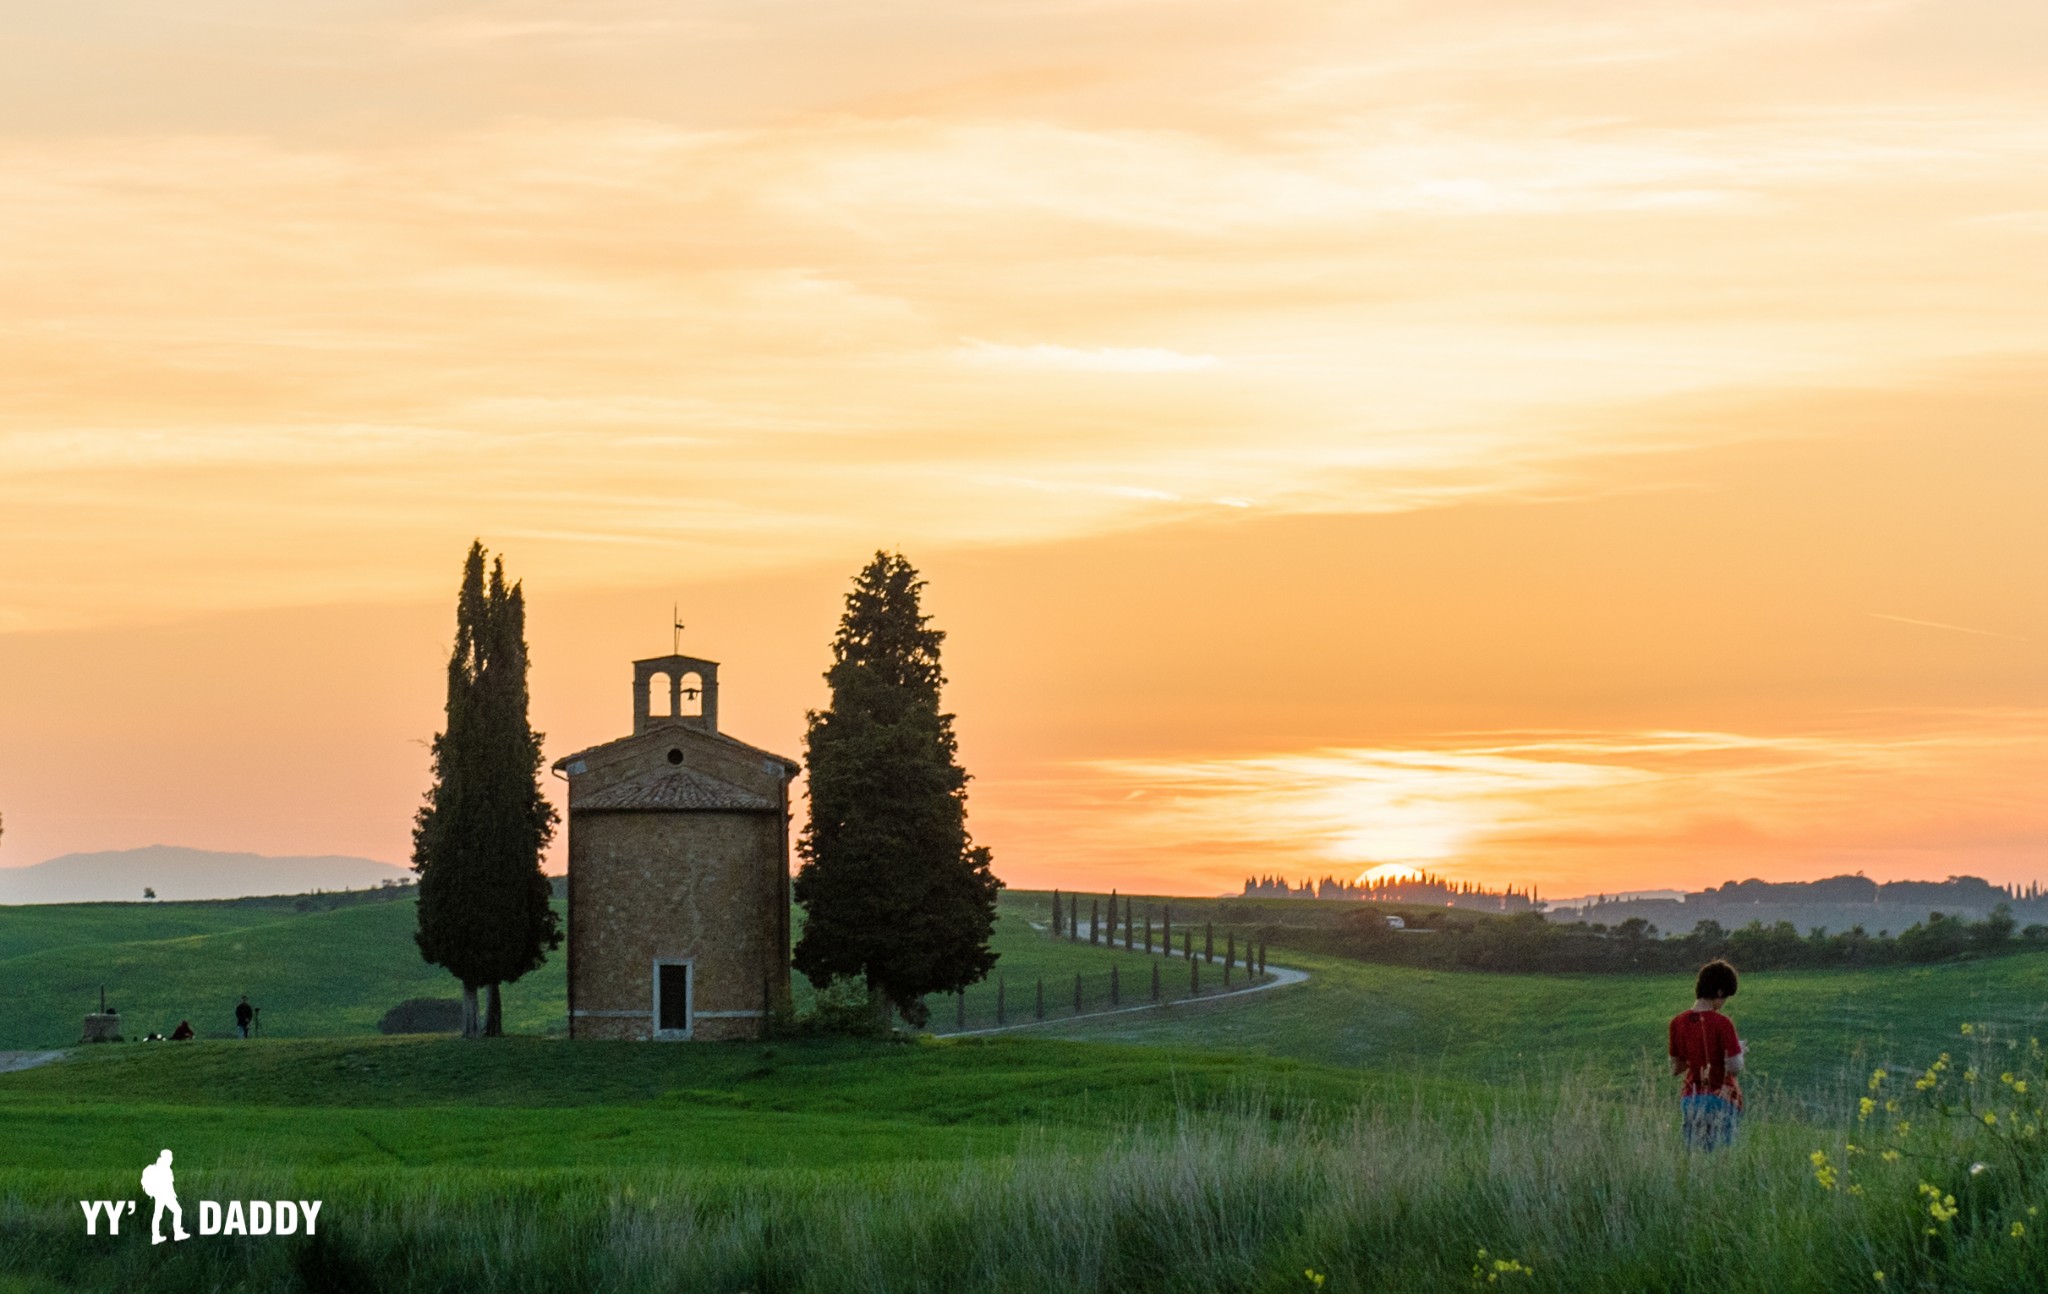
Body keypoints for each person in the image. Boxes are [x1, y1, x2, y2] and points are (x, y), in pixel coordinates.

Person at [1670, 959, 1745, 1150]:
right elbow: (1734, 1067)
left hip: (1690, 1098)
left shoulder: (1677, 1023)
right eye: (1725, 997)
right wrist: (1740, 1051)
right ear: (1719, 992)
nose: (1723, 1003)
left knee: (1695, 1157)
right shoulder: (1723, 1023)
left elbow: (1675, 1068)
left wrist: (1694, 1056)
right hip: (1722, 1096)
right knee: (1721, 1159)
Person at [139, 1149, 191, 1245]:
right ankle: (178, 1233)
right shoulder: (166, 1169)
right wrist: (172, 1195)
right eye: (170, 1157)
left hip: (159, 1194)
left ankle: (155, 1236)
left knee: (158, 1215)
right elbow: (168, 1185)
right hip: (165, 1194)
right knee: (177, 1211)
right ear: (166, 1158)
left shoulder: (158, 1167)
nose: (171, 1159)